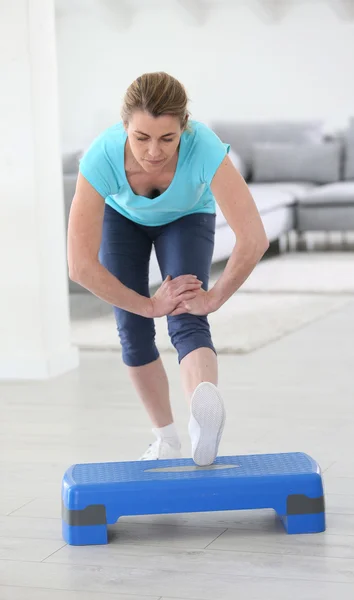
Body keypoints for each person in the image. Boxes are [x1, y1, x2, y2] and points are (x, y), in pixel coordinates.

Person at [67, 72, 269, 466]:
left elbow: (254, 238)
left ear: (184, 128)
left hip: (187, 216)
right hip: (122, 219)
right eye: (141, 138)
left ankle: (202, 419)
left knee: (188, 313)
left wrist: (214, 298)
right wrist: (145, 305)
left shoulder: (204, 147)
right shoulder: (101, 157)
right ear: (124, 127)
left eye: (167, 138)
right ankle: (165, 439)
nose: (154, 152)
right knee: (133, 327)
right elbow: (79, 266)